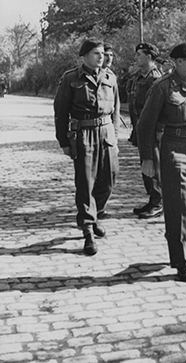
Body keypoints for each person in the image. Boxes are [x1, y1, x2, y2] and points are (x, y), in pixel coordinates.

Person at [137, 42, 186, 283]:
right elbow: (145, 126)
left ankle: (176, 238)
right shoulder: (162, 87)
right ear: (178, 62)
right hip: (174, 149)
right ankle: (182, 262)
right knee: (180, 206)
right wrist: (148, 159)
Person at [54, 39, 120, 255]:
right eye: (95, 53)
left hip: (106, 132)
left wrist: (115, 137)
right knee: (85, 182)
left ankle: (96, 211)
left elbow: (116, 110)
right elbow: (61, 112)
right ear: (83, 56)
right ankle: (88, 229)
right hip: (84, 134)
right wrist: (63, 141)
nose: (101, 57)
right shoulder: (71, 78)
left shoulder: (110, 77)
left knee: (109, 179)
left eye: (102, 53)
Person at [130, 43, 164, 219]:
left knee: (154, 166)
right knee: (145, 165)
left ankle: (158, 202)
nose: (136, 58)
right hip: (141, 129)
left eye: (139, 55)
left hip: (153, 130)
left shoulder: (156, 79)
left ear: (149, 57)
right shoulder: (140, 77)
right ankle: (153, 199)